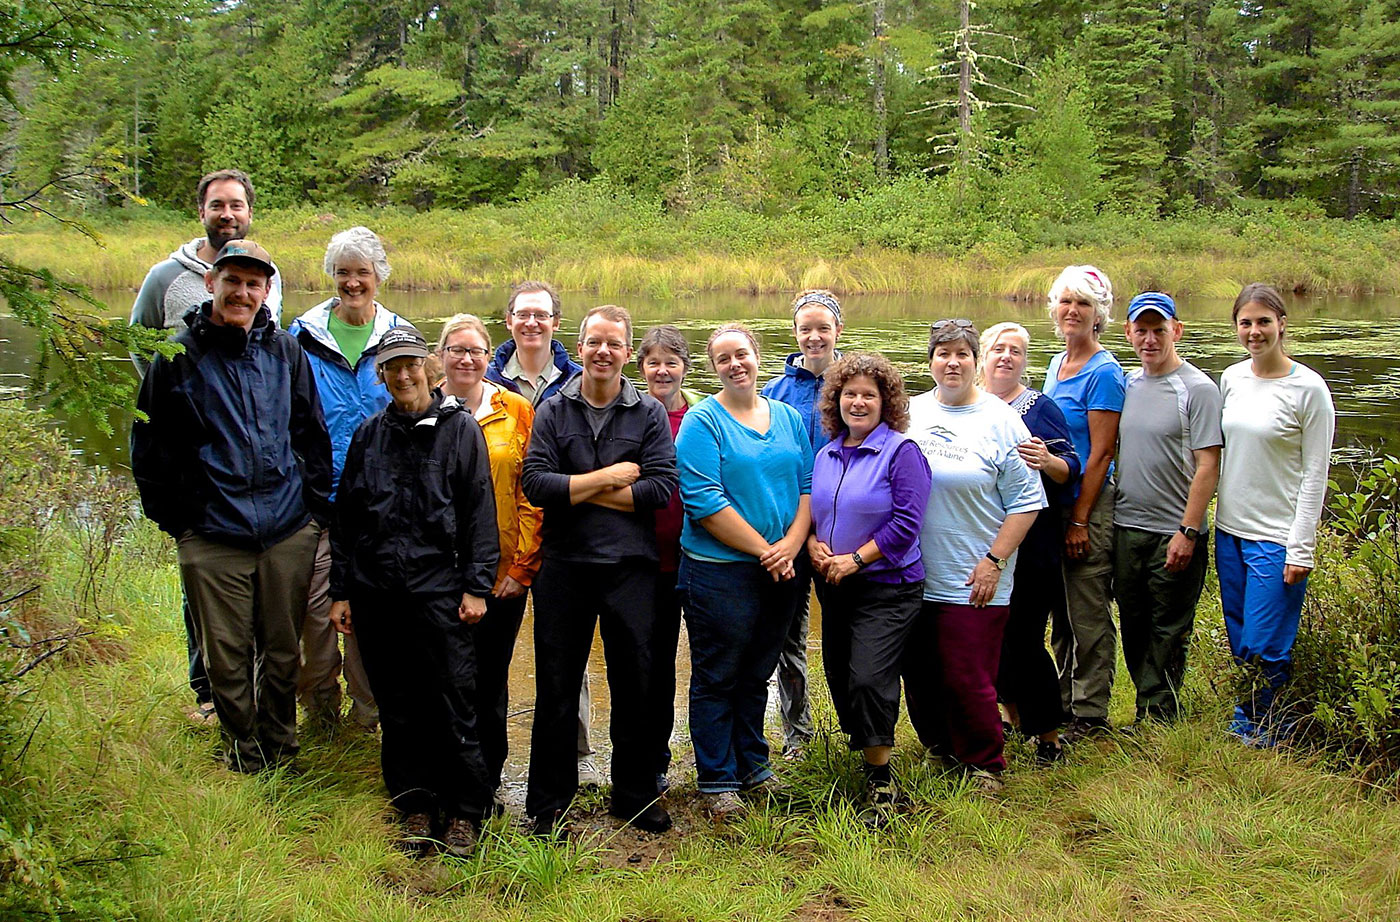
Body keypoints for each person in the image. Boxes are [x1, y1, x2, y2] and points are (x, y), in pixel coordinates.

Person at [131, 240, 331, 772]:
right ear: (212, 283)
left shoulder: (286, 352)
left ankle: (282, 748)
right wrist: (182, 526)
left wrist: (311, 516)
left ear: (267, 291)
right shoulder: (176, 356)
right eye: (233, 281)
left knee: (283, 652)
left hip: (287, 529)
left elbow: (310, 436)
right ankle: (243, 752)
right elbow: (149, 448)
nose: (242, 293)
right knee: (226, 655)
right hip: (212, 533)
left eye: (253, 284)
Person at [329, 326, 500, 858]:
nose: (403, 376)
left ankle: (466, 811)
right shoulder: (368, 436)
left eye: (411, 365)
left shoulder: (460, 430)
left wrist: (476, 586)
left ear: (429, 368)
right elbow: (348, 520)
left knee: (453, 700)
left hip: (440, 592)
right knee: (399, 705)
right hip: (379, 593)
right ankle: (415, 804)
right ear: (381, 376)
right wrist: (341, 591)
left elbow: (479, 513)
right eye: (392, 368)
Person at [128, 169, 285, 724]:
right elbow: (138, 345)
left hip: (264, 483)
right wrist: (177, 395)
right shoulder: (165, 277)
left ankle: (261, 710)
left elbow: (272, 359)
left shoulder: (269, 275)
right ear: (202, 211)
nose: (227, 213)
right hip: (201, 472)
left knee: (269, 618)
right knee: (209, 604)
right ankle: (210, 697)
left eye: (237, 204)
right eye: (218, 204)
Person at [521, 305, 678, 836]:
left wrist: (581, 490)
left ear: (627, 352)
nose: (603, 352)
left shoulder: (648, 413)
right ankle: (548, 802)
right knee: (557, 685)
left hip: (630, 569)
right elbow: (535, 484)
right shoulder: (553, 408)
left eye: (614, 343)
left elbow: (661, 488)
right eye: (594, 342)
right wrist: (609, 478)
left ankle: (633, 795)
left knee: (634, 684)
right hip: (563, 568)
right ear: (581, 347)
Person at [903, 319, 1045, 790]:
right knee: (920, 674)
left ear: (975, 361)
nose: (952, 362)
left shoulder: (1003, 421)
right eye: (943, 353)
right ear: (930, 361)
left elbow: (1027, 503)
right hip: (913, 573)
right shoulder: (910, 413)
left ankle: (986, 762)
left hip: (975, 574)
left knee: (969, 676)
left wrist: (995, 560)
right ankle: (941, 749)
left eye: (962, 353)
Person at [677, 323, 812, 817]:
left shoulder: (789, 417)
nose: (735, 365)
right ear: (713, 368)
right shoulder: (702, 421)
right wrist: (766, 551)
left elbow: (808, 485)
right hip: (719, 572)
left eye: (742, 354)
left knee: (758, 672)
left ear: (757, 355)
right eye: (722, 359)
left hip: (782, 570)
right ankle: (716, 778)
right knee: (718, 674)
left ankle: (753, 765)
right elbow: (703, 500)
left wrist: (792, 546)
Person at [287, 226, 408, 731]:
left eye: (362, 272)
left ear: (379, 275)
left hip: (379, 506)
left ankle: (367, 718)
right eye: (343, 273)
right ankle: (319, 709)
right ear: (331, 276)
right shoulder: (301, 335)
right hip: (314, 500)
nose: (353, 282)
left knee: (370, 621)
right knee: (315, 619)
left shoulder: (399, 335)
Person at [484, 280, 600, 785]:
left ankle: (573, 753)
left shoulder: (578, 380)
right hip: (503, 540)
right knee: (491, 653)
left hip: (567, 536)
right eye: (522, 314)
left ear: (556, 323)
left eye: (542, 315)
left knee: (565, 653)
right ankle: (489, 757)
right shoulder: (484, 381)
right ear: (508, 320)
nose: (532, 323)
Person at [807, 352, 931, 825]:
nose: (858, 403)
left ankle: (883, 782)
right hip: (836, 585)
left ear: (886, 403)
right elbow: (818, 512)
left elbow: (907, 524)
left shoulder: (902, 452)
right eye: (849, 394)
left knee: (868, 677)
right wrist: (817, 545)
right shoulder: (827, 453)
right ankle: (866, 753)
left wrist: (856, 559)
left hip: (888, 586)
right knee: (839, 675)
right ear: (836, 401)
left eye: (868, 396)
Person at [1216, 283, 1334, 746]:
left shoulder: (1309, 389)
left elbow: (1315, 476)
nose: (1254, 331)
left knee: (1268, 641)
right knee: (1241, 634)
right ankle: (1250, 714)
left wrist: (1300, 546)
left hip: (1276, 535)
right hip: (1231, 530)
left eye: (1264, 321)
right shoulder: (1231, 378)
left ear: (1282, 324)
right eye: (1246, 322)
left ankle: (1266, 726)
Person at [436, 313, 544, 803]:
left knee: (490, 679)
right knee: (439, 677)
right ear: (441, 357)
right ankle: (440, 777)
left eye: (475, 350)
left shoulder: (517, 409)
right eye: (455, 349)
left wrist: (520, 569)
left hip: (500, 574)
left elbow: (531, 493)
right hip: (435, 574)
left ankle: (487, 783)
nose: (466, 358)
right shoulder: (424, 406)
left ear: (488, 356)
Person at [1113, 293, 1223, 725]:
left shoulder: (1198, 389)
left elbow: (1208, 464)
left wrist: (1189, 530)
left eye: (1159, 330)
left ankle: (1158, 715)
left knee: (1169, 626)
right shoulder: (1127, 384)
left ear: (1177, 331)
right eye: (1141, 330)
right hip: (1127, 525)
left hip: (1174, 530)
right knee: (1134, 621)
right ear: (1129, 333)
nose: (1150, 339)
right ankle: (1148, 700)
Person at [978, 322, 1080, 764]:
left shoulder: (1040, 407)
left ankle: (1049, 735)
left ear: (1026, 360)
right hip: (976, 540)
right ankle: (1009, 714)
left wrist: (1049, 460)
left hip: (1033, 544)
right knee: (988, 636)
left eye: (1016, 351)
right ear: (982, 355)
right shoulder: (966, 403)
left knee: (1024, 636)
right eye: (998, 348)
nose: (1006, 357)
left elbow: (1072, 465)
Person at [1041, 265, 1126, 742]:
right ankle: (1063, 701)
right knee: (1061, 609)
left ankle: (1090, 714)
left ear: (1099, 314)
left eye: (1084, 304)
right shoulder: (1057, 364)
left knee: (1087, 610)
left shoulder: (1105, 372)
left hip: (1088, 505)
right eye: (1066, 302)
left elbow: (1101, 454)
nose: (1073, 311)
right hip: (1057, 505)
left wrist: (1080, 520)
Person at [761, 289, 844, 759]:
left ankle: (860, 725)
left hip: (841, 534)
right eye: (805, 328)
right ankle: (799, 734)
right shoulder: (774, 392)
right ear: (795, 333)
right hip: (789, 532)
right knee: (787, 637)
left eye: (823, 328)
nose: (814, 336)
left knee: (845, 634)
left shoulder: (853, 384)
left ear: (838, 331)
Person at [636, 325, 704, 794]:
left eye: (672, 361)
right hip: (645, 564)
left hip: (701, 560)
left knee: (711, 663)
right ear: (640, 368)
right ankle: (653, 760)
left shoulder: (704, 417)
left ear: (686, 367)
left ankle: (715, 762)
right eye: (654, 362)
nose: (663, 370)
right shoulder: (630, 415)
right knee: (654, 667)